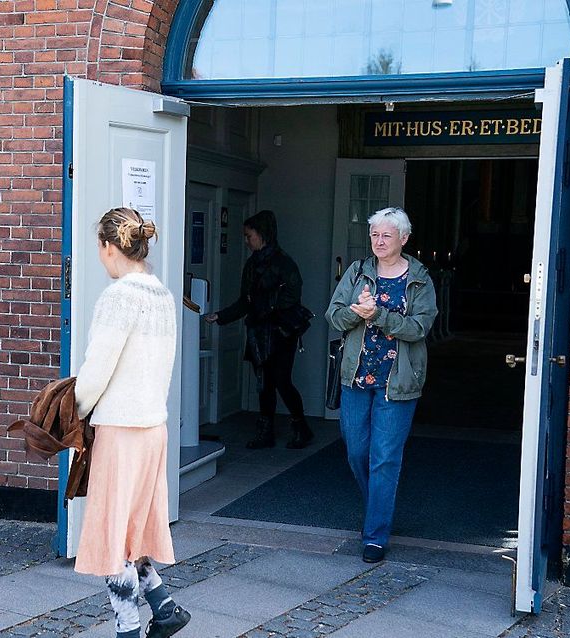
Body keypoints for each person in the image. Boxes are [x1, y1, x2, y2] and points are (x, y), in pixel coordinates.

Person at [74, 208, 191, 638]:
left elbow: (97, 368)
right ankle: (164, 608)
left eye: (99, 250)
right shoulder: (161, 294)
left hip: (121, 428)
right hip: (152, 427)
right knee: (134, 530)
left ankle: (127, 628)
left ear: (109, 247)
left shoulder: (119, 296)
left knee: (112, 531)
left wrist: (78, 407)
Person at [326, 207, 438, 564]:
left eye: (387, 235)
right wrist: (355, 313)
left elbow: (419, 328)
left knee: (385, 458)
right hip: (356, 378)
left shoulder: (419, 278)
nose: (378, 241)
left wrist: (379, 316)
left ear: (403, 239)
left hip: (398, 382)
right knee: (356, 451)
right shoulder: (358, 273)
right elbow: (334, 316)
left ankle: (375, 535)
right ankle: (379, 506)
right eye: (374, 234)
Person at [204, 209, 313, 449]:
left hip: (280, 332)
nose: (246, 240)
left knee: (281, 380)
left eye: (248, 235)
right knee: (264, 382)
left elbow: (292, 295)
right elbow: (246, 300)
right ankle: (268, 433)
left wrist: (263, 305)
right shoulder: (253, 264)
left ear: (261, 234)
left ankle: (300, 427)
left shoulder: (283, 262)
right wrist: (221, 316)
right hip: (259, 330)